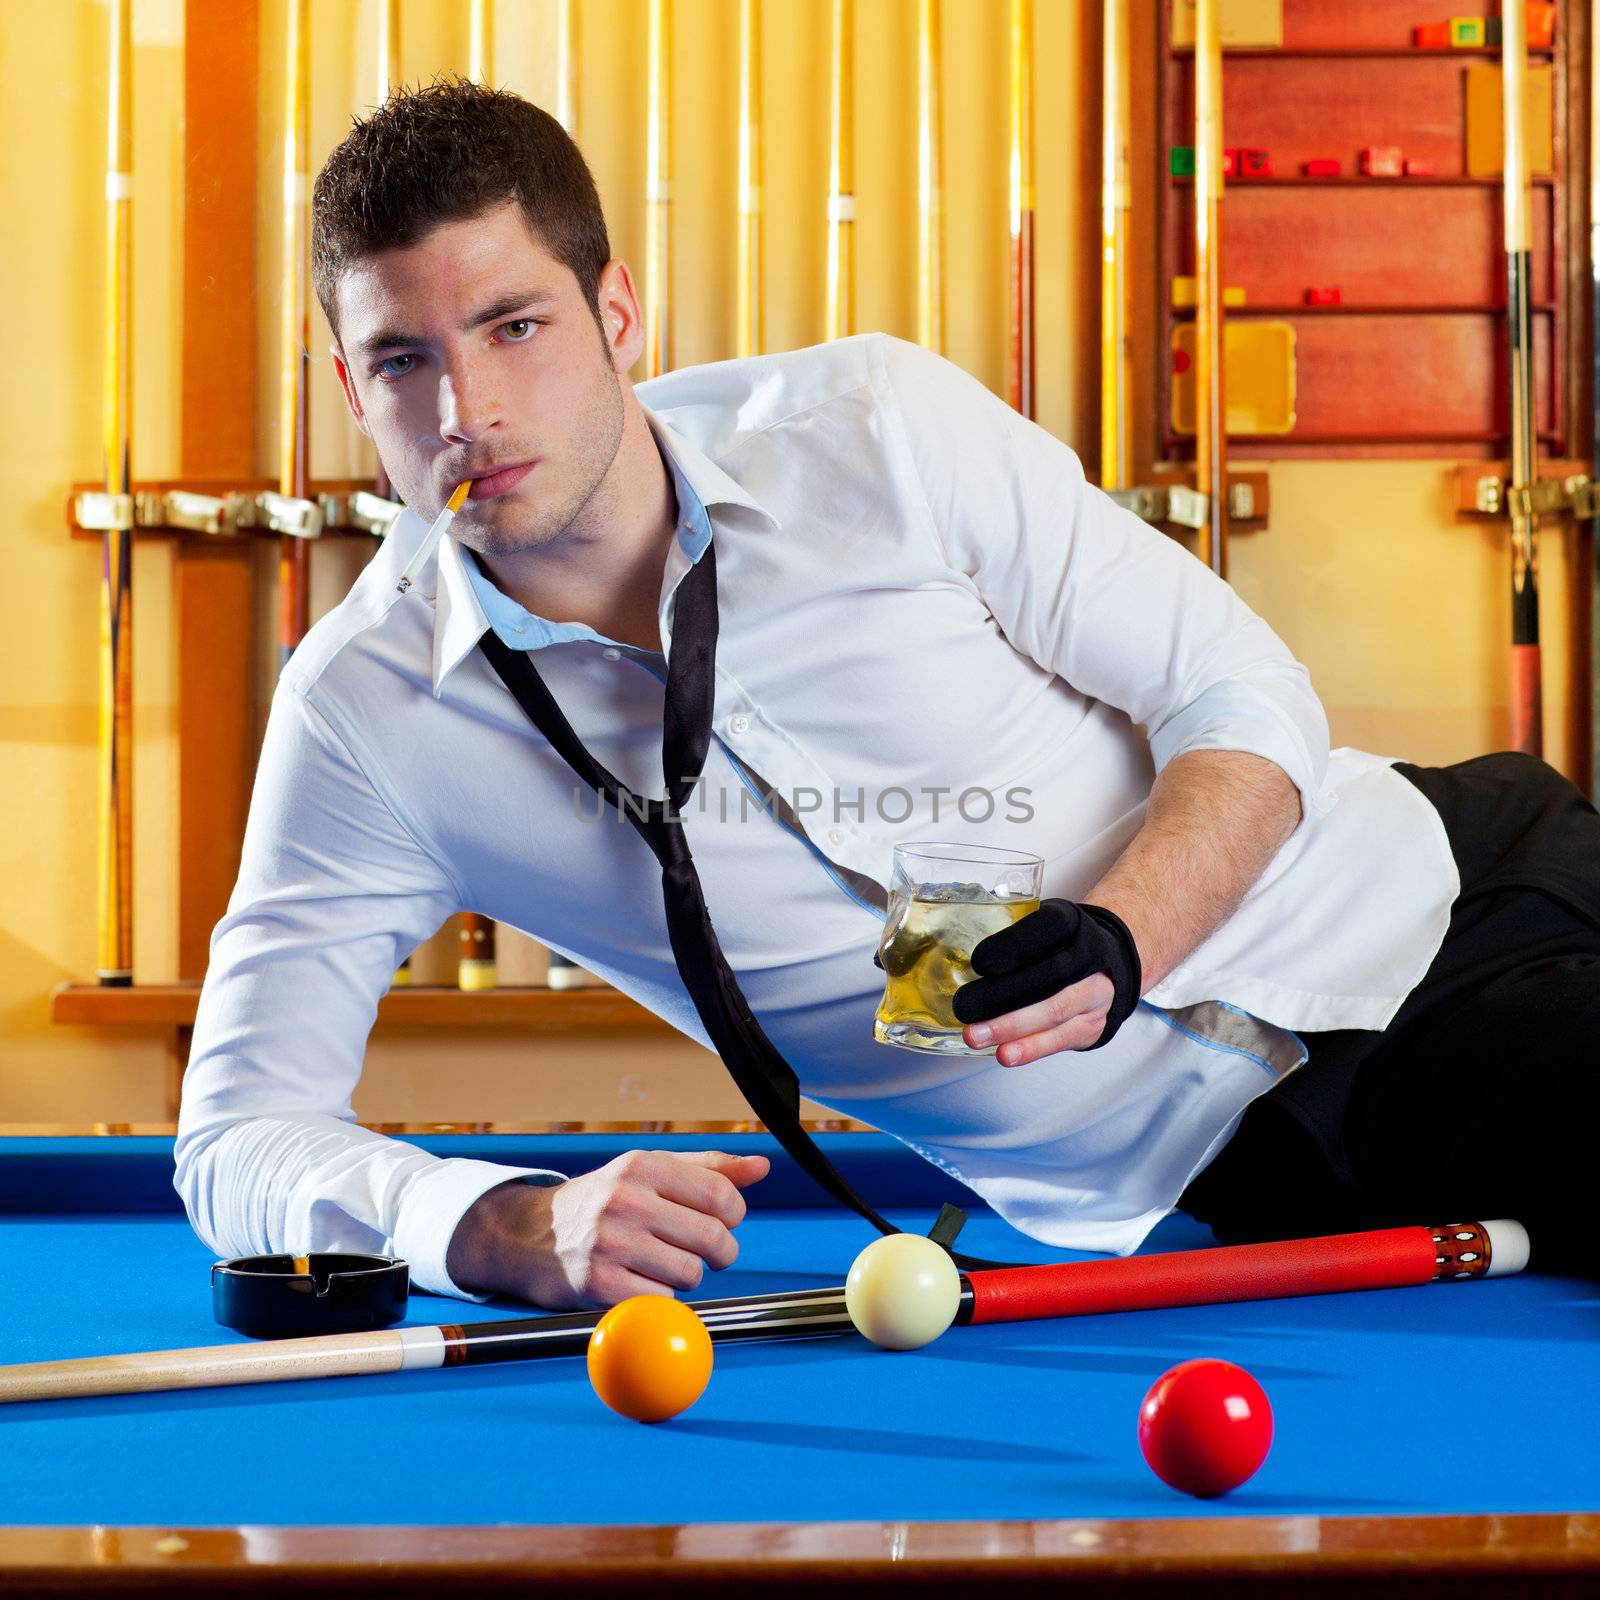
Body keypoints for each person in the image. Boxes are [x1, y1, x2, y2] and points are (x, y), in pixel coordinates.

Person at [175, 79, 1600, 1311]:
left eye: (514, 328)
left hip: (1451, 895)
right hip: (1257, 1169)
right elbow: (237, 1134)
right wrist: (490, 1224)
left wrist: (1127, 931)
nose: (464, 410)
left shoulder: (870, 428)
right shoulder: (364, 721)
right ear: (350, 391)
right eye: (400, 361)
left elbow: (1239, 690)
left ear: (618, 311)